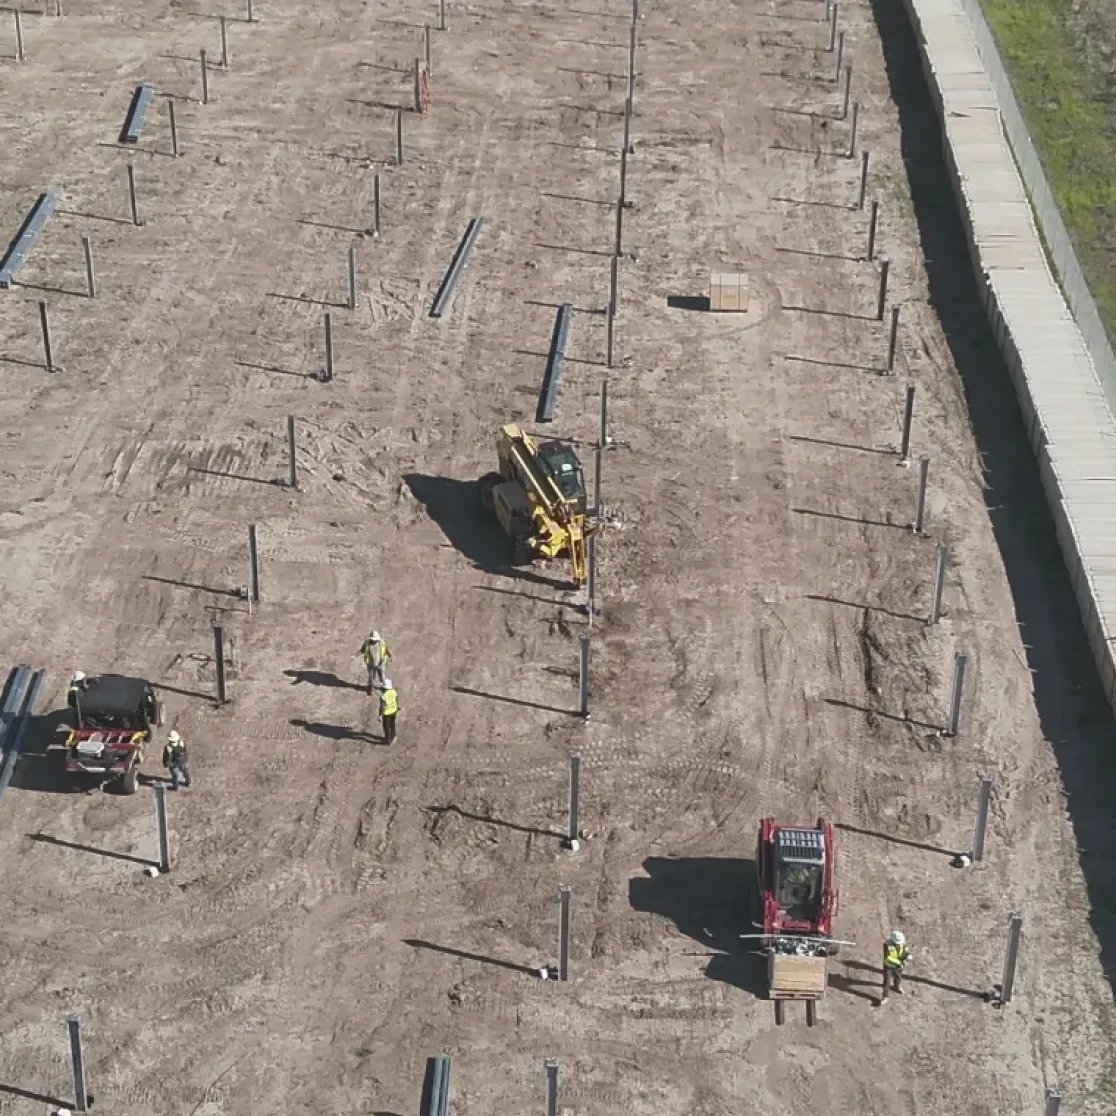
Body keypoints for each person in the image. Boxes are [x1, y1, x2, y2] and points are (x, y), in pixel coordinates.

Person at [881, 929, 911, 1000]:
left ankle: (896, 986)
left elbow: (905, 950)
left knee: (898, 977)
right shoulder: (887, 945)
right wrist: (899, 962)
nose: (900, 944)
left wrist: (907, 956)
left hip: (898, 966)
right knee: (886, 982)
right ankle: (885, 996)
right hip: (889, 966)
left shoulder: (903, 943)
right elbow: (888, 958)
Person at [379, 679, 399, 744]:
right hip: (394, 711)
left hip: (387, 713)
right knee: (392, 724)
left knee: (386, 726)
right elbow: (396, 700)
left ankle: (388, 740)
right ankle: (394, 736)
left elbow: (382, 707)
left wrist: (380, 715)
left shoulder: (383, 696)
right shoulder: (394, 691)